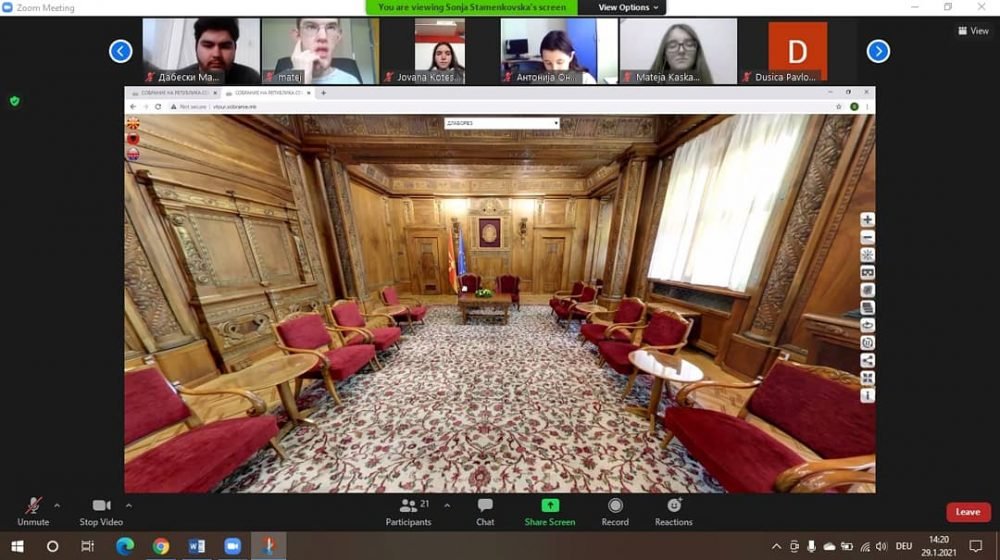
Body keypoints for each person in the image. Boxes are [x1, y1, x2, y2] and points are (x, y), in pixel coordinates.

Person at [179, 18, 260, 85]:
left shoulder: (251, 79)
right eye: (208, 45)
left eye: (225, 46)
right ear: (196, 47)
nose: (216, 54)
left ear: (235, 48)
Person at [289, 18, 361, 84]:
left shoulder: (351, 82)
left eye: (331, 27)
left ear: (338, 37)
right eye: (311, 27)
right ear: (298, 36)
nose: (323, 37)